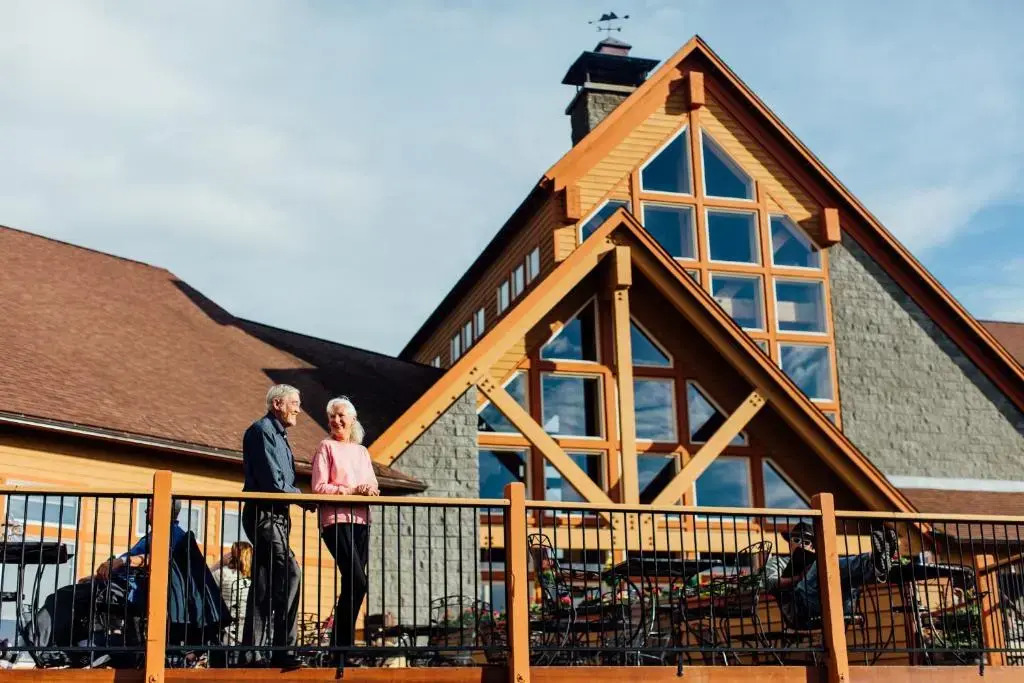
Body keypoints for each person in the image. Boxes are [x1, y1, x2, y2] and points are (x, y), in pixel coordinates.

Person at [33, 500, 188, 665]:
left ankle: (37, 647)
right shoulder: (154, 535)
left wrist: (121, 561)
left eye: (150, 506)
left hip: (131, 591)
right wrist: (96, 577)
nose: (145, 511)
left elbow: (161, 558)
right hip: (119, 585)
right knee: (73, 598)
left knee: (64, 596)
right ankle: (61, 651)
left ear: (164, 509)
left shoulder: (172, 533)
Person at [311, 396, 379, 667]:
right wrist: (351, 490)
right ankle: (341, 649)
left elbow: (372, 484)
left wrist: (370, 490)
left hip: (361, 521)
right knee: (358, 581)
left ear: (352, 419)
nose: (336, 420)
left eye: (341, 415)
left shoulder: (362, 452)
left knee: (353, 584)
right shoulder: (325, 447)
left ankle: (339, 653)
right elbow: (319, 487)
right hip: (335, 521)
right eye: (332, 416)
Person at [241, 384, 304, 668]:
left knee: (265, 583)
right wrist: (304, 499)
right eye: (294, 403)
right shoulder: (262, 431)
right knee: (291, 573)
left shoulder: (279, 435)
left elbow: (283, 481)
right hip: (264, 516)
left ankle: (252, 653)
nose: (298, 409)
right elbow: (273, 482)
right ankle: (282, 650)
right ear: (277, 404)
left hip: (277, 517)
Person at [763, 522, 899, 626]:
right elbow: (768, 583)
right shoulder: (778, 562)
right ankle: (873, 561)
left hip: (839, 605)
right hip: (802, 609)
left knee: (835, 567)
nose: (800, 545)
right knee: (823, 565)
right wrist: (799, 578)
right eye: (796, 540)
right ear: (789, 543)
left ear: (812, 546)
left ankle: (876, 563)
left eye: (806, 542)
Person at [213, 541, 253, 646]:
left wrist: (221, 562)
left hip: (228, 628)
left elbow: (205, 584)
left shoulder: (223, 573)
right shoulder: (255, 576)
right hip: (250, 628)